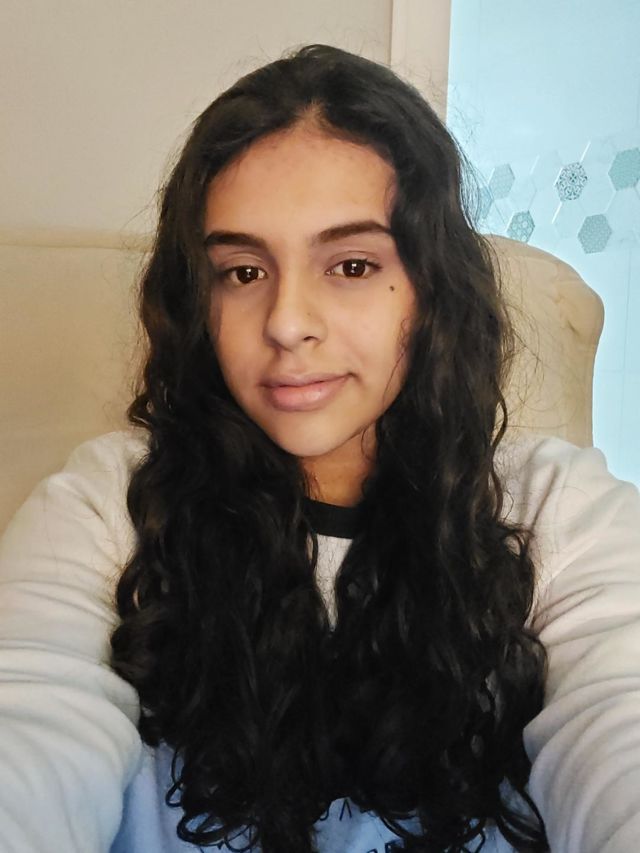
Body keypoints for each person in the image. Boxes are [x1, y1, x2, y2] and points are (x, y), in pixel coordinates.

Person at [1, 43, 640, 853]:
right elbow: (29, 728)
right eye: (242, 272)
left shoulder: (559, 512)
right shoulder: (106, 507)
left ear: (433, 288)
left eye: (352, 264)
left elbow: (620, 722)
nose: (286, 322)